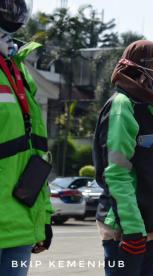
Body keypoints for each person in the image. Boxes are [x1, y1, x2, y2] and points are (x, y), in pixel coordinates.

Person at [93, 40, 153, 276]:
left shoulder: (151, 108)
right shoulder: (123, 105)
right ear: (140, 69)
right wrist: (132, 230)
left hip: (152, 229)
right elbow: (116, 171)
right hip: (128, 232)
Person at [0, 1, 54, 275]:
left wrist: (42, 217)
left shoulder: (18, 70)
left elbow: (36, 153)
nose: (14, 10)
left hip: (19, 226)